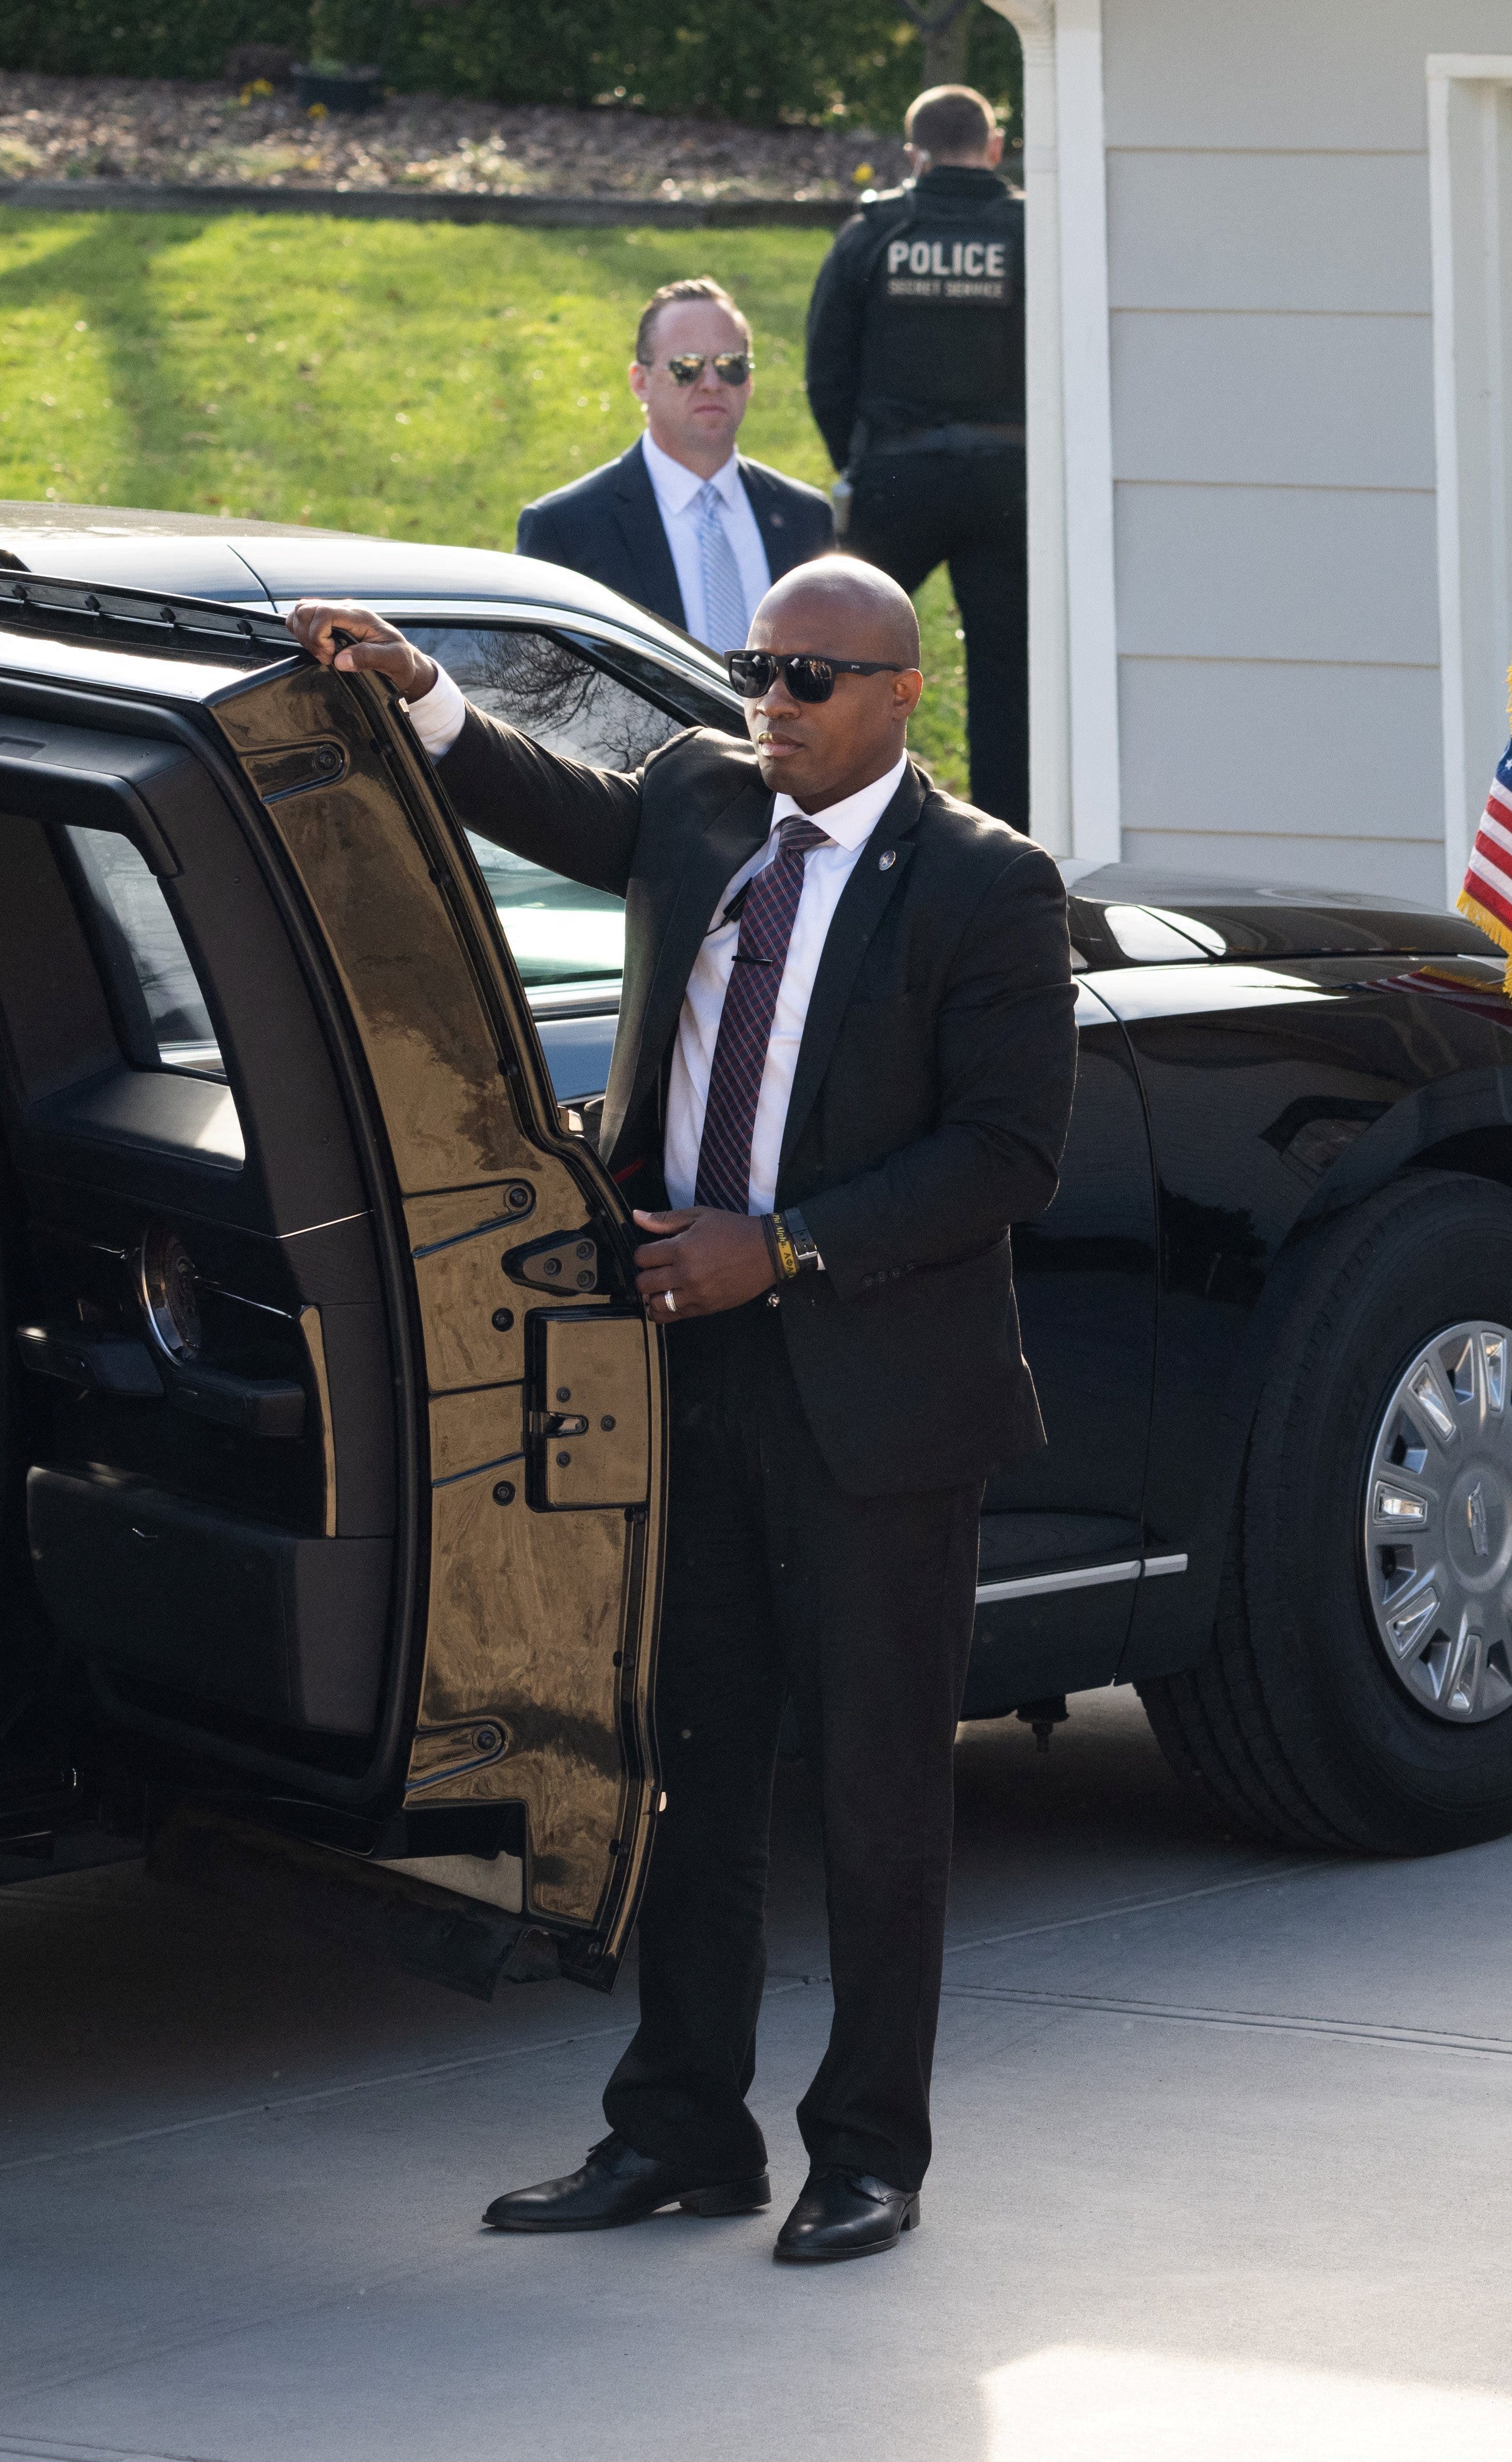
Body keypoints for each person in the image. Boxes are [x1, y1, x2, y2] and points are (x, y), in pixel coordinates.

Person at [286, 560, 1075, 2266]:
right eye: (753, 668)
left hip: (877, 1403)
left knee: (873, 1789)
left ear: (898, 695)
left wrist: (779, 1248)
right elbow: (540, 796)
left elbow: (1008, 1155)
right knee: (692, 1771)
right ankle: (679, 2130)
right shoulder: (705, 799)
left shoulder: (984, 885)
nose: (769, 703)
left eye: (807, 677)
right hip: (682, 1379)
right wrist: (416, 686)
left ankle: (866, 2148)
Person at [806, 84, 1029, 827]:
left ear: (913, 155)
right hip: (1010, 483)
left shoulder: (873, 233)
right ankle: (1009, 841)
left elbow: (826, 365)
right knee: (1009, 676)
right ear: (994, 149)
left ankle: (843, 813)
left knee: (848, 660)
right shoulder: (1031, 234)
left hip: (896, 479)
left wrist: (859, 460)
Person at [516, 277, 833, 651]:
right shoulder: (565, 529)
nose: (712, 383)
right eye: (687, 367)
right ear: (640, 383)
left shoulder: (806, 518)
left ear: (748, 382)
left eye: (731, 366)